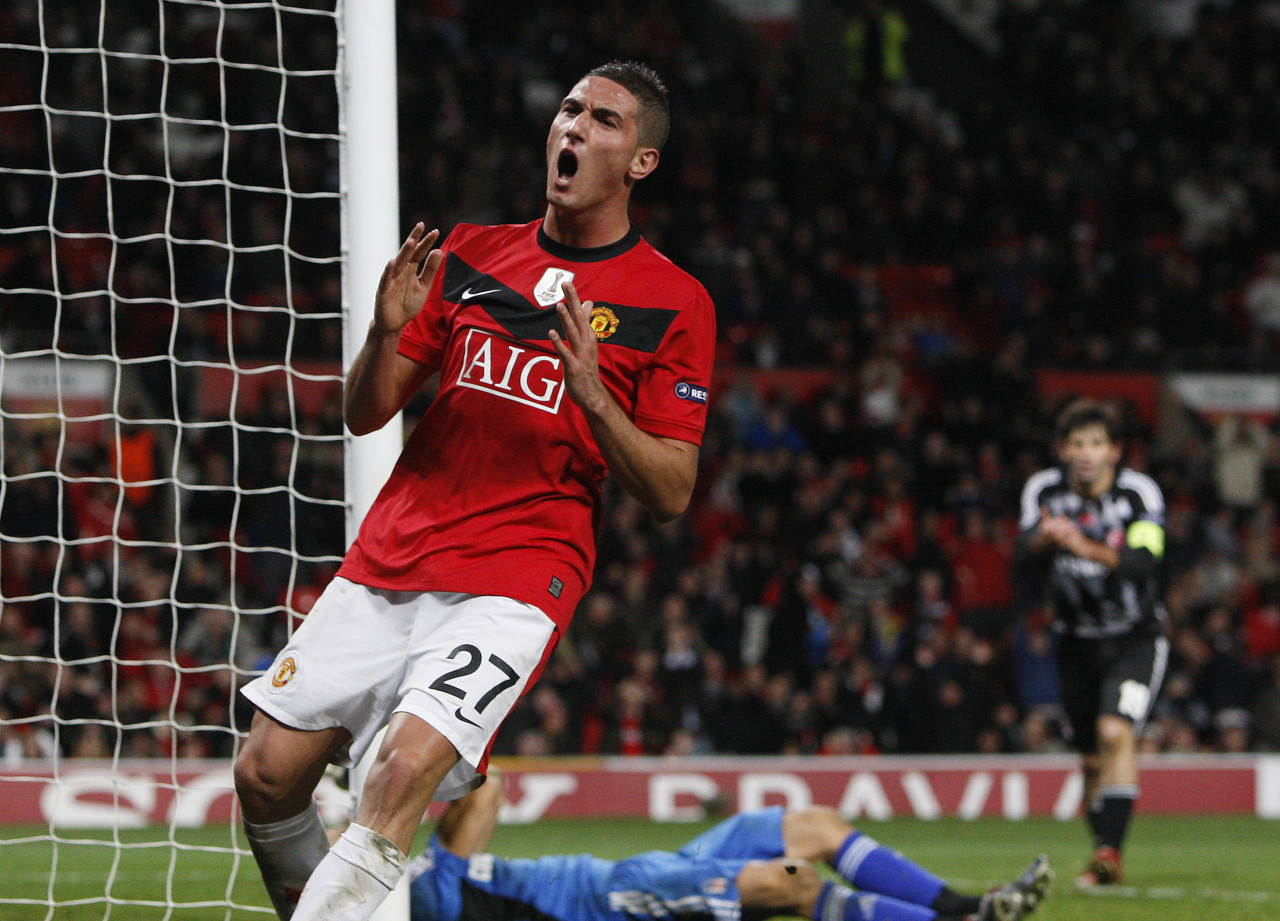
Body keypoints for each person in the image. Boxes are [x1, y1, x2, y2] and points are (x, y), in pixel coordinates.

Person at [232, 60, 717, 921]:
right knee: (264, 775)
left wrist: (595, 396)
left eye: (604, 119)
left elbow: (673, 490)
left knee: (398, 771)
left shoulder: (673, 301)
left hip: (518, 575)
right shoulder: (473, 252)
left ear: (642, 161)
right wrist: (383, 335)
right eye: (569, 108)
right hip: (397, 549)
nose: (575, 126)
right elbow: (365, 412)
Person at [408, 768, 1052, 921]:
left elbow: (486, 791)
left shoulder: (426, 876)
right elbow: (484, 794)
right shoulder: (431, 896)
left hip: (639, 874)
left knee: (816, 826)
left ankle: (965, 907)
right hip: (617, 902)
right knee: (795, 883)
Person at [1016, 400, 1169, 887]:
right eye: (1078, 443)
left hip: (1134, 637)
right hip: (1074, 642)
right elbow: (1022, 555)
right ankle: (1102, 848)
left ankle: (1109, 852)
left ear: (1115, 451)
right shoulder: (1043, 490)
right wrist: (1046, 538)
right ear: (1062, 449)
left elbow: (1145, 560)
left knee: (1115, 731)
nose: (1087, 453)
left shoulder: (1139, 494)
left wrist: (1083, 545)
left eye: (1097, 444)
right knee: (1089, 758)